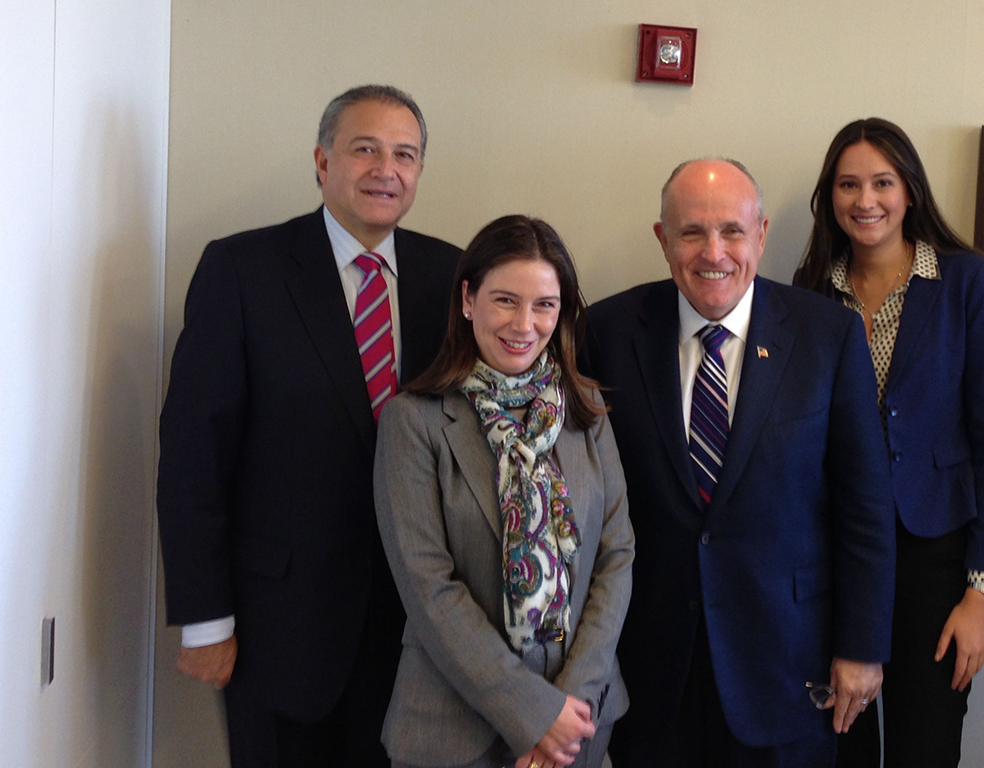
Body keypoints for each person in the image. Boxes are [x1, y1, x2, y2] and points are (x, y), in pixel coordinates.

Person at [156, 84, 462, 767]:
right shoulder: (242, 270)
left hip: (416, 633)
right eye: (365, 149)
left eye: (405, 154)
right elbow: (192, 456)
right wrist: (206, 619)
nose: (387, 169)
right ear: (323, 162)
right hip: (279, 630)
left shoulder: (450, 277)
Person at [583, 158, 896, 767]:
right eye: (692, 232)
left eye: (731, 230)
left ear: (761, 233)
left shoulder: (827, 335)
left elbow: (865, 505)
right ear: (663, 238)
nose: (713, 252)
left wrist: (862, 646)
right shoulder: (608, 330)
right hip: (653, 665)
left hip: (788, 661)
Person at [792, 118, 984, 768]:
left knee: (927, 747)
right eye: (849, 185)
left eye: (882, 182)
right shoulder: (809, 291)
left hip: (937, 559)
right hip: (834, 556)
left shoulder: (967, 284)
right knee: (840, 742)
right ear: (829, 197)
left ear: (910, 190)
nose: (866, 200)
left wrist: (982, 593)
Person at [372, 215, 634, 768]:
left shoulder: (586, 414)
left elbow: (616, 558)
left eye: (544, 304)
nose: (525, 323)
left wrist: (569, 711)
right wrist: (534, 714)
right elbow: (429, 590)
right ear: (468, 300)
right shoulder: (413, 422)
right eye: (505, 300)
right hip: (453, 733)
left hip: (580, 732)